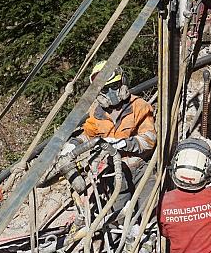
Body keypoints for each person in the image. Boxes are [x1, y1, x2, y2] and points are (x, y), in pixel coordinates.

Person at [62, 60, 156, 193]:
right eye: (105, 89)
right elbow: (88, 136)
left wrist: (123, 143)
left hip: (141, 168)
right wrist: (72, 145)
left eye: (115, 85)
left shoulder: (138, 105)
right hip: (115, 173)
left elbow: (149, 140)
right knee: (119, 212)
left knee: (149, 210)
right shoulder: (97, 112)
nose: (111, 92)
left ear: (123, 82)